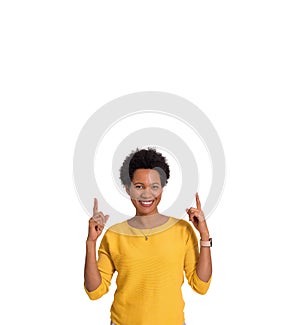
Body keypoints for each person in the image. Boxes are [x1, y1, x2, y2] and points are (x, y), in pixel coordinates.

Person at [84, 148, 212, 325]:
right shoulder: (114, 235)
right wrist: (91, 242)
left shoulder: (182, 230)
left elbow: (201, 285)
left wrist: (204, 235)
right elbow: (94, 290)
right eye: (139, 186)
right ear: (128, 189)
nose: (147, 194)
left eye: (154, 186)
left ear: (162, 189)